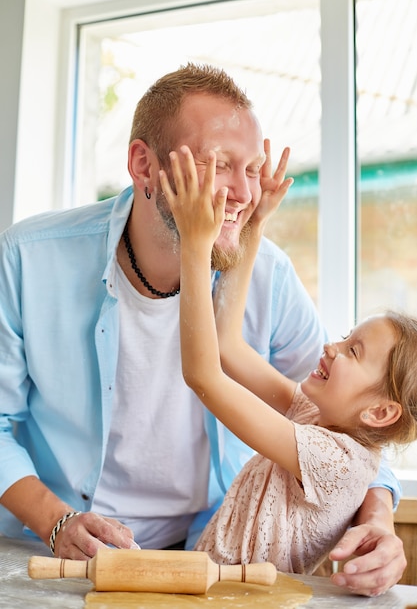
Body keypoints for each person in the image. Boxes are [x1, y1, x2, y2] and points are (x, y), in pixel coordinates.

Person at [0, 63, 405, 596]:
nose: (243, 192)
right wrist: (56, 522)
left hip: (210, 566)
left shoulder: (269, 277)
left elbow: (353, 429)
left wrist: (378, 518)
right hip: (59, 554)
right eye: (219, 165)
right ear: (142, 165)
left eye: (254, 168)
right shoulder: (28, 258)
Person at [161, 142, 417, 582]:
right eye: (344, 338)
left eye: (353, 351)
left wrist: (196, 245)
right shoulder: (315, 416)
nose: (331, 348)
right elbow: (227, 346)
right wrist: (254, 224)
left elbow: (203, 375)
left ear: (379, 412)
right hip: (208, 592)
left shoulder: (336, 461)